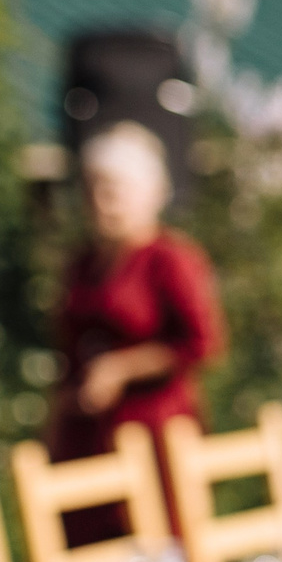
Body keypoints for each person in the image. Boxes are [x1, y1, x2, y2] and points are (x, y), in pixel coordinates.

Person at [48, 123, 223, 537]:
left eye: (112, 190)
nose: (99, 202)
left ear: (150, 192)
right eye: (92, 190)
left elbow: (203, 343)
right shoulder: (83, 263)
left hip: (154, 428)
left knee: (158, 544)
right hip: (88, 430)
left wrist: (123, 368)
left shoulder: (170, 259)